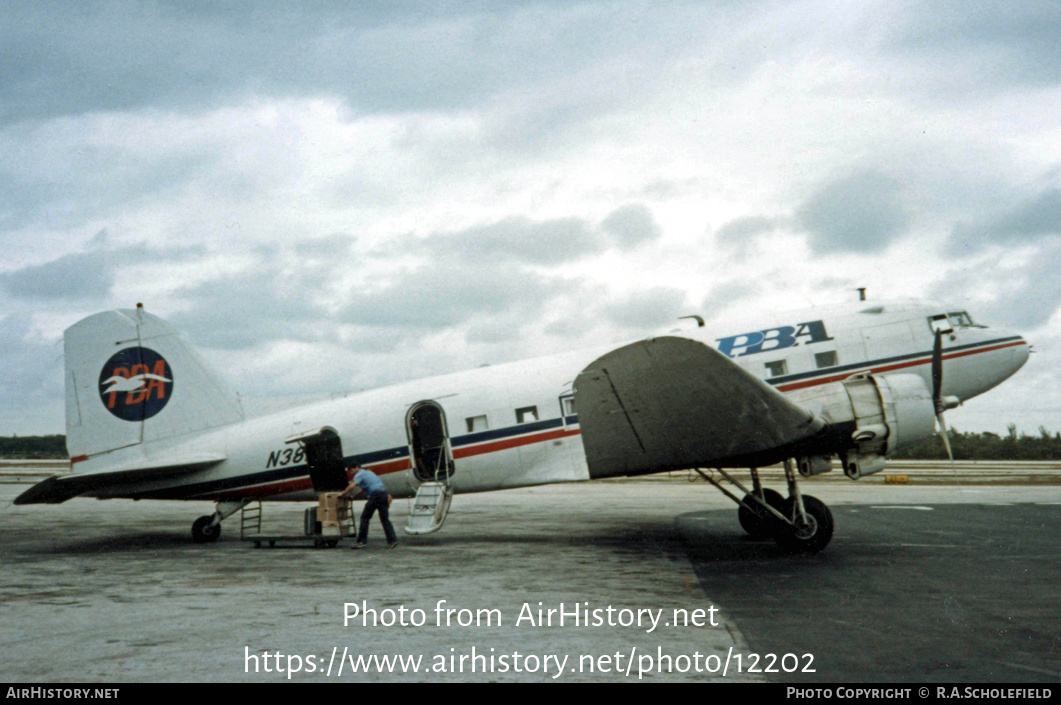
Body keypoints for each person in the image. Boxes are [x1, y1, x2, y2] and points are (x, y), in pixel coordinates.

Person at [340, 462, 398, 549]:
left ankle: (361, 541)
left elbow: (352, 486)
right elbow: (364, 488)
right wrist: (354, 496)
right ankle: (392, 541)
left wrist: (342, 493)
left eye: (352, 470)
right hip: (383, 494)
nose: (351, 472)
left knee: (364, 518)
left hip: (375, 495)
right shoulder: (369, 473)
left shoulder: (359, 474)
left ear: (357, 467)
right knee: (385, 519)